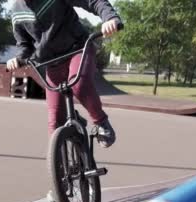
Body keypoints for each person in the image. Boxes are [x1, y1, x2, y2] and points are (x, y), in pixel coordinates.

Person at [6, 0, 122, 149]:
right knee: (54, 122)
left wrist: (109, 17)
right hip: (52, 63)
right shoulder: (16, 10)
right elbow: (25, 45)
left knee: (79, 86)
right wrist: (18, 59)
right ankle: (59, 167)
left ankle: (101, 122)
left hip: (78, 49)